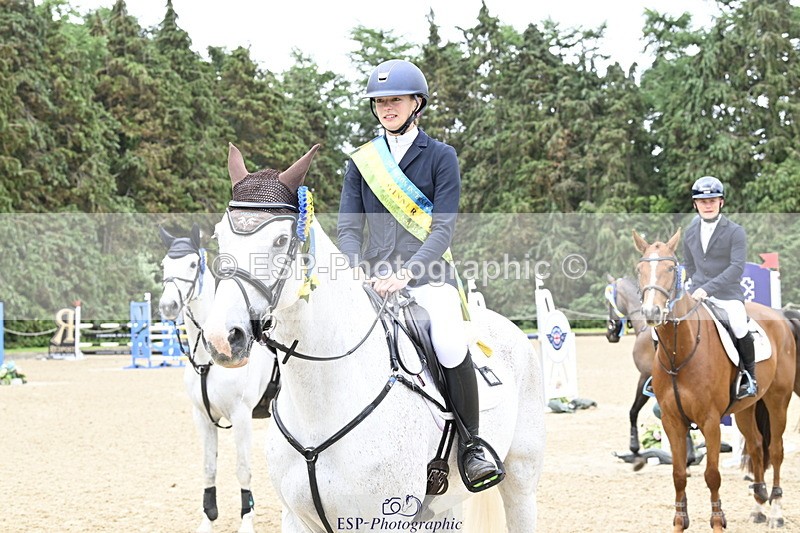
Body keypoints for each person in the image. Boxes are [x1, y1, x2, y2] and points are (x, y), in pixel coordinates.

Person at [337, 59, 499, 487]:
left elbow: (442, 228)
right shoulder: (362, 162)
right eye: (380, 101)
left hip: (426, 277)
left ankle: (471, 445)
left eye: (395, 99)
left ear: (416, 103)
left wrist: (407, 273)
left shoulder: (441, 157)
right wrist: (354, 270)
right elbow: (349, 228)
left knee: (446, 341)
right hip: (370, 281)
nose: (386, 107)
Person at [683, 176, 756, 399]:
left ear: (721, 202)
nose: (708, 205)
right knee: (665, 325)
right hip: (696, 295)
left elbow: (736, 268)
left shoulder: (735, 231)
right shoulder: (689, 232)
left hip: (726, 295)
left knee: (738, 325)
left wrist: (707, 289)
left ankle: (749, 377)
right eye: (702, 201)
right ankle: (661, 377)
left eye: (712, 200)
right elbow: (689, 265)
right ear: (695, 204)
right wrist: (693, 286)